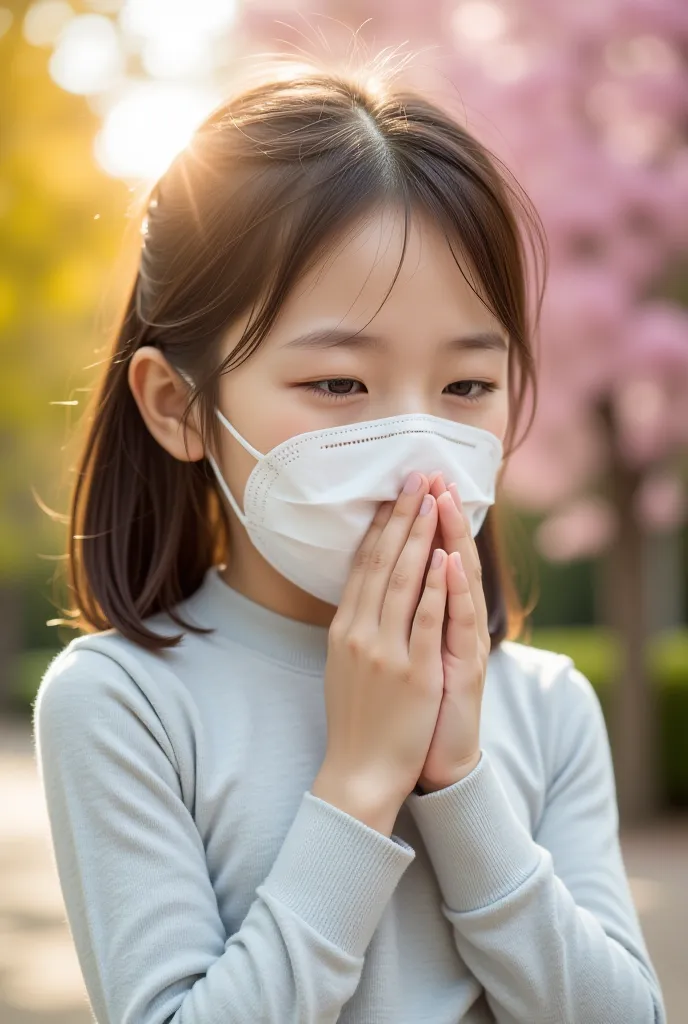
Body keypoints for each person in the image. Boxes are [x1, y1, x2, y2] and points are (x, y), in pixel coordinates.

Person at [33, 65, 665, 1024]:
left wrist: (459, 783)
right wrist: (360, 784)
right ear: (178, 405)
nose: (415, 453)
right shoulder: (125, 703)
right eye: (337, 385)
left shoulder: (546, 706)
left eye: (465, 389)